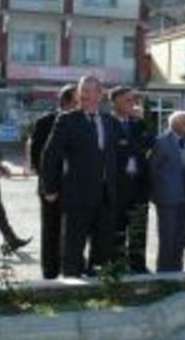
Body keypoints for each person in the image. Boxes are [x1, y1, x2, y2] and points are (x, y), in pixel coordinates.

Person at [41, 76, 120, 277]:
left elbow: (114, 156)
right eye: (81, 90)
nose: (84, 95)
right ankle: (71, 283)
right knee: (73, 246)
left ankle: (98, 283)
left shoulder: (110, 121)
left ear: (100, 94)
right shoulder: (67, 120)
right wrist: (49, 187)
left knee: (102, 246)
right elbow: (50, 155)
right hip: (77, 194)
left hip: (105, 195)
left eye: (89, 90)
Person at [29, 84, 77, 279]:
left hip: (75, 186)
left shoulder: (81, 121)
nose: (80, 103)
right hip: (51, 186)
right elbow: (37, 156)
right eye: (77, 100)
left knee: (73, 228)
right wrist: (49, 184)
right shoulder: (45, 122)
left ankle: (71, 266)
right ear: (66, 101)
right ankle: (49, 271)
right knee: (51, 228)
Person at [110, 86, 153, 274]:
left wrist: (141, 121)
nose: (132, 103)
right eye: (127, 100)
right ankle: (117, 264)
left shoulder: (139, 124)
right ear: (115, 102)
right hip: (117, 187)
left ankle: (138, 264)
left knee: (138, 229)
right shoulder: (107, 123)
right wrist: (131, 145)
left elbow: (150, 142)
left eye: (133, 100)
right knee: (117, 229)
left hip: (139, 186)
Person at [149, 111, 185, 272]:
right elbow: (152, 170)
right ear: (175, 124)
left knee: (180, 237)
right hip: (166, 197)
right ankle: (163, 272)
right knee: (167, 236)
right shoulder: (161, 142)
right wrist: (154, 195)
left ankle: (177, 270)